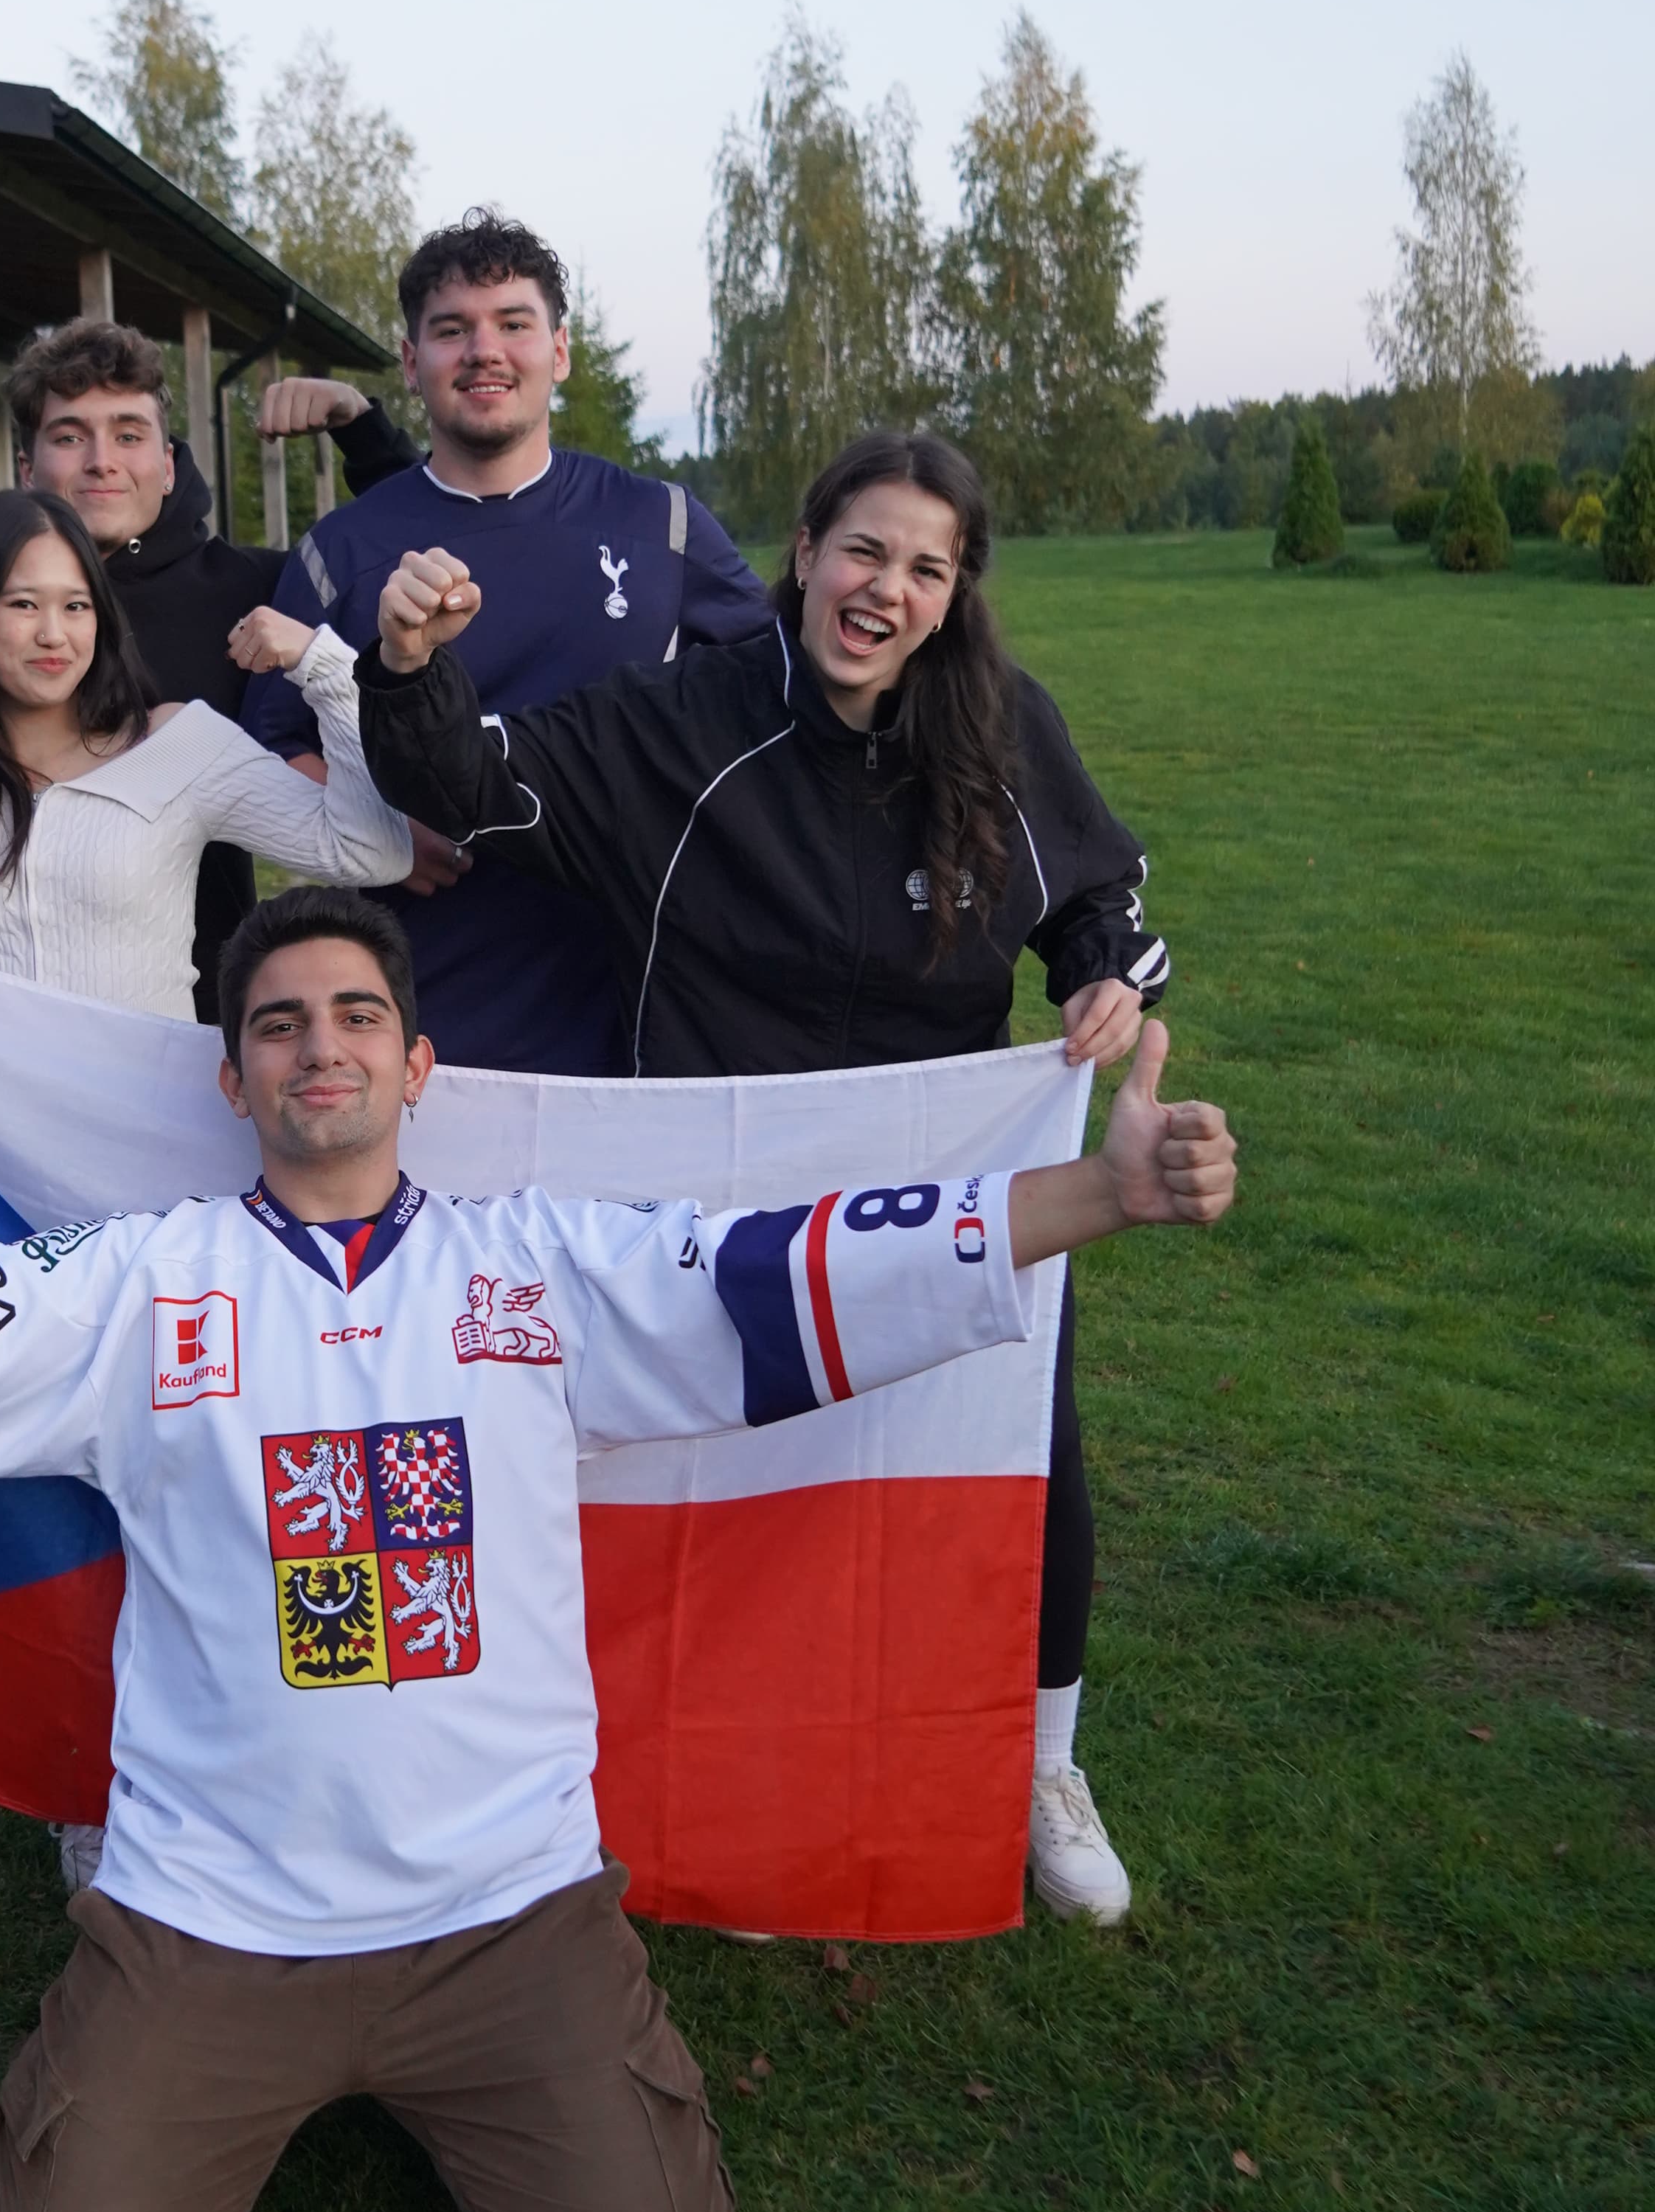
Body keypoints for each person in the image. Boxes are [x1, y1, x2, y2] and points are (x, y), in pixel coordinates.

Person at [0, 885, 1238, 2212]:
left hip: (504, 1912)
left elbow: (798, 1273)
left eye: (356, 1014)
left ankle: (536, 2077)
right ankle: (131, 2064)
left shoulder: (534, 1270)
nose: (320, 1045)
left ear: (416, 1063)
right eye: (280, 1021)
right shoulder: (143, 1283)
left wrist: (1101, 1191)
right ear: (230, 1076)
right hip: (212, 1916)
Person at [354, 426, 1173, 1926]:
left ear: (956, 593)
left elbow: (1099, 899)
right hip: (715, 1208)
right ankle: (645, 1766)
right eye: (863, 549)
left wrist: (1107, 977)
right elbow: (470, 785)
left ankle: (1045, 1761)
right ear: (805, 553)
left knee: (1023, 1454)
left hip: (941, 1188)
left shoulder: (1002, 726)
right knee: (690, 1499)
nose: (886, 588)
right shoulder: (682, 722)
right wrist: (407, 665)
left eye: (927, 567)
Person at [0, 485, 412, 1897]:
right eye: (20, 601)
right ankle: (78, 1773)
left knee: (181, 1476)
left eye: (76, 601)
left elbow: (371, 854)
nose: (54, 629)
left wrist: (325, 671)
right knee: (40, 1481)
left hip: (153, 1181)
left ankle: (220, 1766)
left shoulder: (179, 746)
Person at [239, 210, 772, 1072]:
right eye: (452, 331)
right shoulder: (342, 551)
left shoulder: (661, 523)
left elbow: (779, 698)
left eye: (513, 325)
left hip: (636, 994)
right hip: (426, 1001)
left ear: (558, 351)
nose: (484, 350)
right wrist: (373, 826)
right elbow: (268, 747)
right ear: (413, 365)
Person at [0, 318, 414, 1013]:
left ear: (169, 462)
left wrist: (361, 429)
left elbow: (413, 560)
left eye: (128, 434)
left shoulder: (251, 592)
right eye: (68, 436)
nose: (100, 461)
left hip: (189, 1019)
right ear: (28, 469)